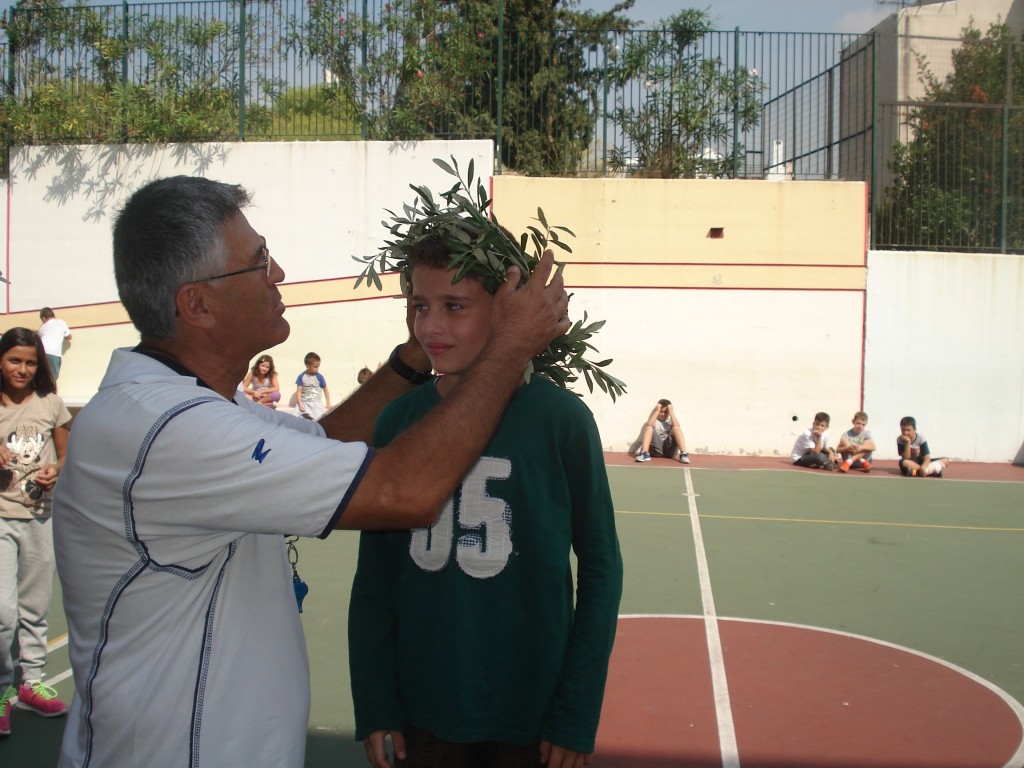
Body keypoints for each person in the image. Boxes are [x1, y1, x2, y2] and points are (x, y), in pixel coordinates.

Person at [50, 175, 570, 768]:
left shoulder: (200, 407)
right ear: (197, 304)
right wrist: (509, 346)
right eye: (258, 262)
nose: (279, 274)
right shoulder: (165, 429)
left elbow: (325, 442)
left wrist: (413, 355)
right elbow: (404, 491)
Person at [349, 234, 623, 768]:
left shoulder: (561, 421)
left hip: (532, 714)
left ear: (508, 313)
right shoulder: (398, 421)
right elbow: (375, 580)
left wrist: (576, 711)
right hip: (422, 710)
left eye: (455, 307)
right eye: (419, 306)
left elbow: (601, 569)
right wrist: (376, 700)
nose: (430, 326)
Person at [0, 328, 72, 737]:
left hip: (40, 517)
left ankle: (31, 682)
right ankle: (0, 692)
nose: (23, 369)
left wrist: (55, 471)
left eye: (30, 362)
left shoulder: (51, 404)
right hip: (1, 516)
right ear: (0, 360)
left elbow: (66, 453)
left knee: (35, 605)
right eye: (14, 360)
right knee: (3, 613)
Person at [628, 399, 690, 463]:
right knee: (649, 428)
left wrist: (671, 412)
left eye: (666, 412)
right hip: (655, 450)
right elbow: (649, 424)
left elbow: (677, 426)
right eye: (661, 412)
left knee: (676, 428)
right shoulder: (654, 420)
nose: (663, 414)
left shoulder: (671, 420)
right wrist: (657, 410)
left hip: (669, 451)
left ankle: (683, 455)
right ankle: (645, 454)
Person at [37, 308, 71, 380]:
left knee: (42, 375)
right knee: (53, 377)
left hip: (41, 352)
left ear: (43, 318)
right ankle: (51, 390)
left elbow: (38, 340)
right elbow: (69, 337)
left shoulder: (42, 327)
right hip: (54, 353)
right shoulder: (61, 322)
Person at [296, 351, 331, 420]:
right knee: (296, 417)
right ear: (307, 366)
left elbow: (325, 390)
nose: (317, 368)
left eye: (318, 366)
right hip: (304, 402)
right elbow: (299, 392)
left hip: (315, 403)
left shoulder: (319, 377)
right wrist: (300, 404)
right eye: (315, 367)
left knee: (318, 419)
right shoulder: (301, 376)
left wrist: (328, 403)